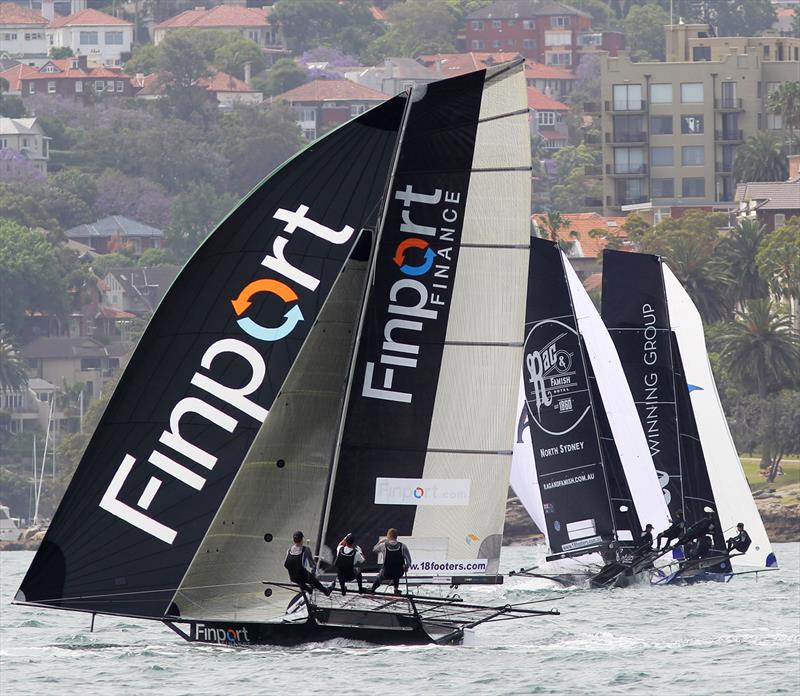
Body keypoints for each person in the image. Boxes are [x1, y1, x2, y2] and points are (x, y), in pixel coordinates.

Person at [284, 531, 331, 597]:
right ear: (302, 540)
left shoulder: (289, 550)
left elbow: (286, 565)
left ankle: (307, 588)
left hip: (293, 578)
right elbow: (312, 565)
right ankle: (326, 591)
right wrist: (313, 573)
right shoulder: (306, 549)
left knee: (302, 579)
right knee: (314, 581)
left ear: (294, 540)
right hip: (303, 577)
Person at [371, 528, 412, 595]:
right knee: (397, 568)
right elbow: (409, 561)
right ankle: (396, 589)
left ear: (388, 536)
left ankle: (372, 589)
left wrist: (380, 542)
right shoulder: (403, 546)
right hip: (399, 573)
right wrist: (406, 567)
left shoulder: (383, 545)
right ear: (396, 536)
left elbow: (374, 550)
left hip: (386, 573)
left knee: (380, 575)